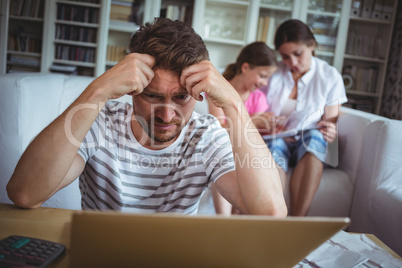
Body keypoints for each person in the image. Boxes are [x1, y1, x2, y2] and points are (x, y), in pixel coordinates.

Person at [7, 18, 287, 217]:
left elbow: (271, 212)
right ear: (131, 90)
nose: (167, 115)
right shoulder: (99, 122)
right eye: (152, 96)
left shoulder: (207, 135)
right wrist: (97, 90)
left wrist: (234, 105)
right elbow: (25, 194)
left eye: (180, 97)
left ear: (198, 95)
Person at [260, 19, 348, 216]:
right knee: (273, 148)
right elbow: (257, 108)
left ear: (311, 45)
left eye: (297, 54)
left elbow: (330, 120)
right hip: (277, 139)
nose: (292, 62)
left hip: (309, 139)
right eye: (285, 56)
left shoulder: (329, 76)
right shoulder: (274, 74)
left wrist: (330, 127)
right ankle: (274, 218)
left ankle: (298, 220)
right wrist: (268, 124)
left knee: (316, 138)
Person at [207, 41, 279, 215]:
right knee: (224, 159)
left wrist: (269, 125)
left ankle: (239, 221)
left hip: (246, 150)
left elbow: (255, 137)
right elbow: (220, 129)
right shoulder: (218, 91)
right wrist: (255, 121)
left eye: (267, 78)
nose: (264, 82)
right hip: (224, 147)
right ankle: (223, 219)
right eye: (262, 76)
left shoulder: (259, 98)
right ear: (245, 67)